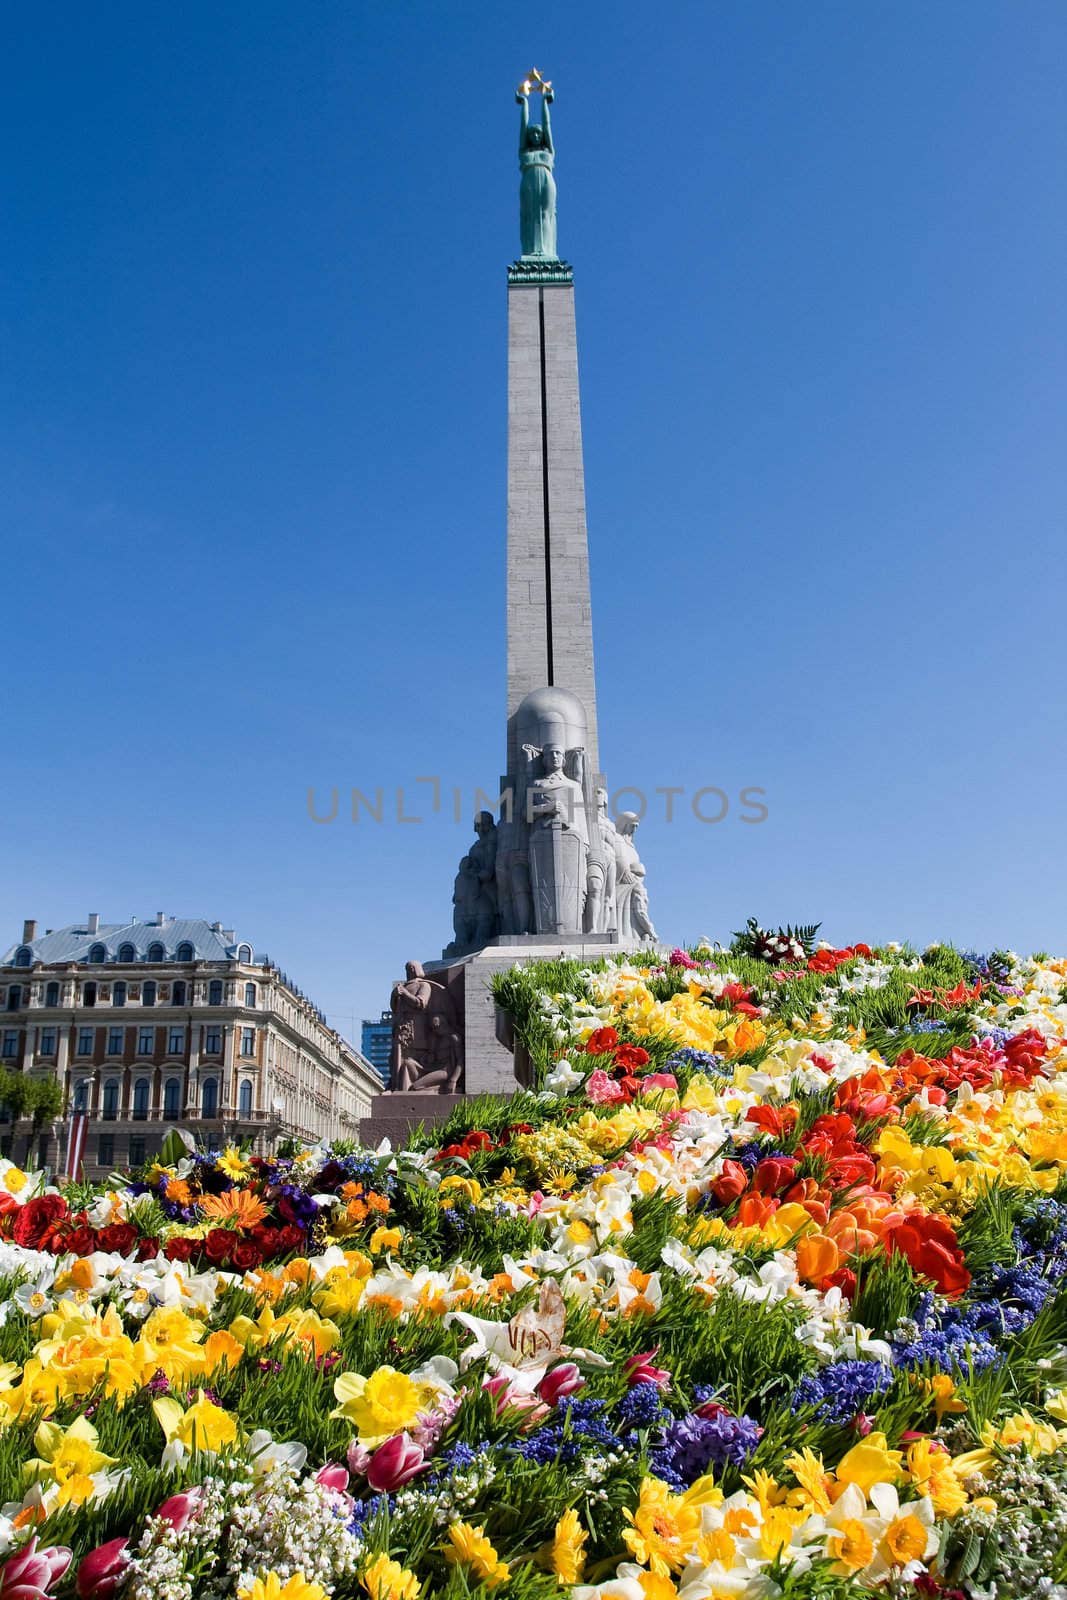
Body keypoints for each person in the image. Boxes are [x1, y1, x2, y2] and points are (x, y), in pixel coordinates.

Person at [517, 83, 557, 258]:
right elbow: (522, 127)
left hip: (547, 180)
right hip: (528, 181)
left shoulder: (548, 151)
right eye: (532, 133)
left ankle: (547, 250)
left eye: (538, 134)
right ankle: (530, 250)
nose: (535, 136)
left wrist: (544, 103)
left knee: (546, 214)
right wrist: (524, 104)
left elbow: (547, 125)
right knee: (529, 215)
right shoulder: (524, 152)